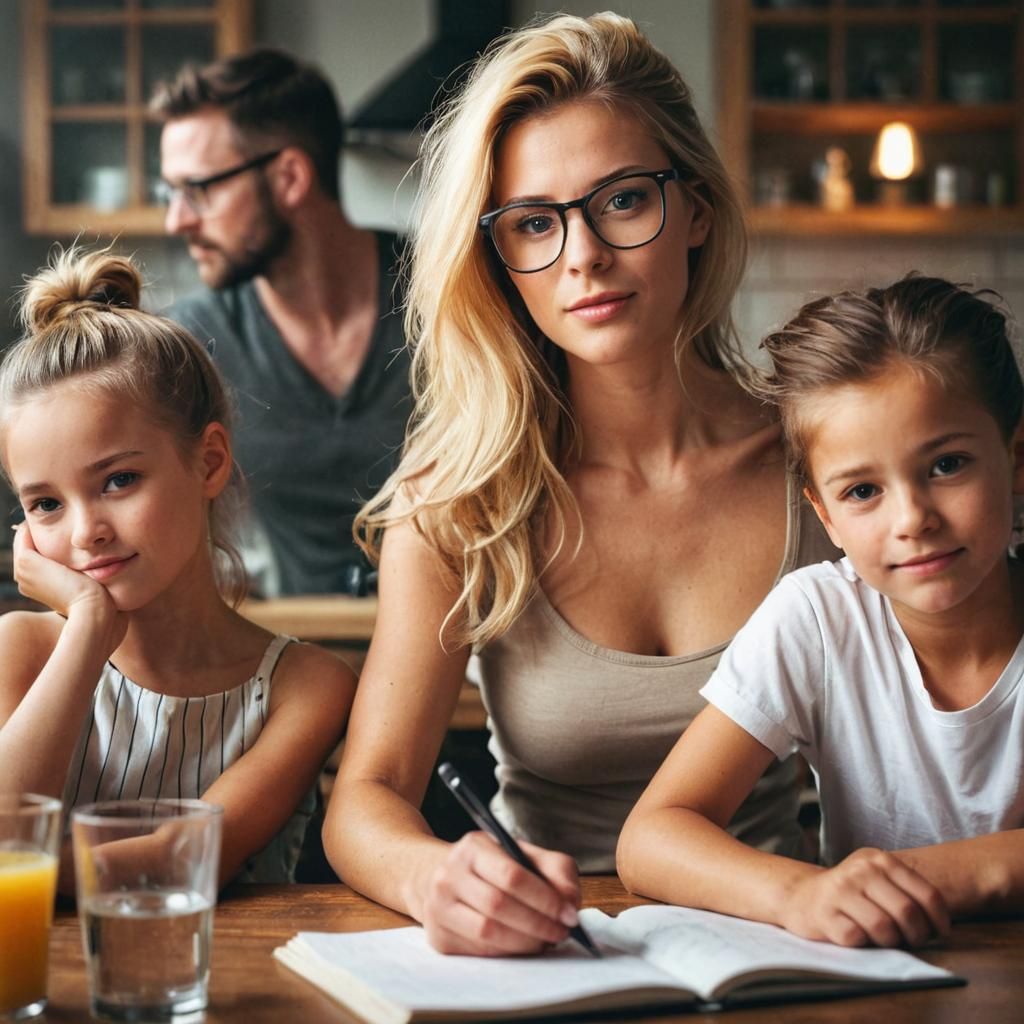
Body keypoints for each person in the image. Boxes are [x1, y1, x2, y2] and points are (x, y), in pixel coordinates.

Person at [323, 12, 838, 957]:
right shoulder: (458, 503)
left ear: (697, 212)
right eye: (534, 223)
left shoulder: (825, 464)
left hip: (794, 951)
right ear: (500, 261)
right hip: (549, 964)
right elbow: (368, 799)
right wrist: (439, 878)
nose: (584, 255)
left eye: (623, 200)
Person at [618, 276, 1024, 948]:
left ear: (1015, 460)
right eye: (863, 490)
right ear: (824, 514)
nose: (913, 519)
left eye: (947, 464)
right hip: (882, 987)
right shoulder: (818, 619)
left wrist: (909, 878)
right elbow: (651, 837)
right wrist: (800, 892)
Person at [0, 247, 356, 887]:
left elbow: (179, 859)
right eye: (46, 504)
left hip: (231, 985)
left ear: (209, 462)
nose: (86, 532)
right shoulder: (21, 652)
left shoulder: (304, 686)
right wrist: (86, 629)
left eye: (119, 480)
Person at [152, 48, 411, 596]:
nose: (177, 220)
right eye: (169, 193)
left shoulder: (454, 296)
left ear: (290, 177)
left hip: (468, 654)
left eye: (199, 189)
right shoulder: (195, 346)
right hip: (298, 657)